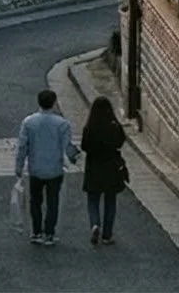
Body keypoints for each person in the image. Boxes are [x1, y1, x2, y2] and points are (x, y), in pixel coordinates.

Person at [14, 88, 79, 245]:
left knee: (35, 201)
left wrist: (19, 166)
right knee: (53, 201)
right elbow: (67, 146)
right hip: (55, 168)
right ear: (54, 103)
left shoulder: (29, 122)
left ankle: (36, 232)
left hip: (35, 168)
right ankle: (49, 233)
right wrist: (74, 157)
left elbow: (22, 146)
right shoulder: (62, 123)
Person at [80, 95, 128, 245]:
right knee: (110, 201)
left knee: (93, 200)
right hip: (111, 167)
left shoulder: (89, 127)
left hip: (94, 167)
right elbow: (120, 142)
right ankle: (107, 235)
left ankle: (95, 224)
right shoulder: (114, 126)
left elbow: (84, 146)